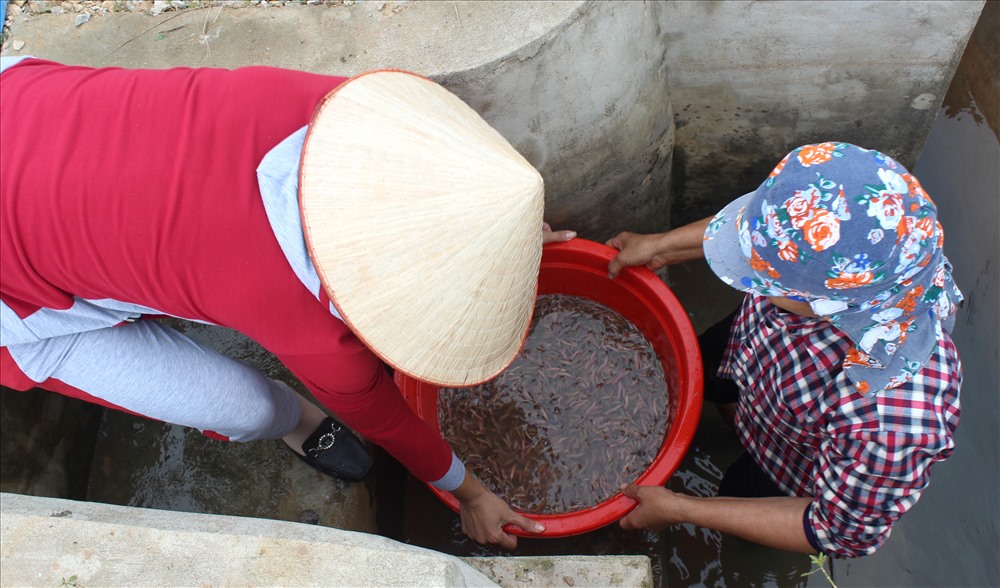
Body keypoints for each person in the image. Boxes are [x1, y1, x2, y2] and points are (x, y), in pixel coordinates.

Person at [0, 56, 575, 549]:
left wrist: (499, 234)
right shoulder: (317, 337)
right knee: (245, 408)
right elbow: (392, 424)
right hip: (15, 300)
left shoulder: (323, 102)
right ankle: (294, 421)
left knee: (148, 256)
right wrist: (470, 494)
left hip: (20, 101)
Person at [606, 142, 963, 558]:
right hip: (755, 346)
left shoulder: (891, 423)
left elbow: (837, 531)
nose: (746, 277)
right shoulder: (867, 223)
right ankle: (731, 413)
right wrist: (661, 245)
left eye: (760, 276)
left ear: (823, 302)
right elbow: (754, 228)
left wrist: (682, 509)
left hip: (783, 466)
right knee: (708, 368)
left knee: (737, 492)